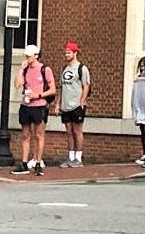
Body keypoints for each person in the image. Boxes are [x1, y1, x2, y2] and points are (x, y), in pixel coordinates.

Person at [12, 44, 55, 176]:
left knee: (39, 134)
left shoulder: (45, 69)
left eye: (29, 56)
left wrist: (39, 95)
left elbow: (52, 89)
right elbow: (17, 84)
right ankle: (24, 163)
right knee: (25, 135)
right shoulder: (25, 69)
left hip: (39, 105)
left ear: (36, 56)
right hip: (26, 105)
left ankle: (38, 162)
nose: (27, 58)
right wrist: (21, 69)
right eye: (26, 56)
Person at [57, 41, 90, 167]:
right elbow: (61, 87)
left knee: (77, 131)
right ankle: (70, 157)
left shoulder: (82, 68)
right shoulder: (64, 69)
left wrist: (82, 101)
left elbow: (86, 85)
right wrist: (58, 103)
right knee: (69, 131)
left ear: (75, 53)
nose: (66, 54)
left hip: (76, 105)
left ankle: (78, 158)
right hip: (65, 105)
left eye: (69, 52)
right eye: (65, 52)